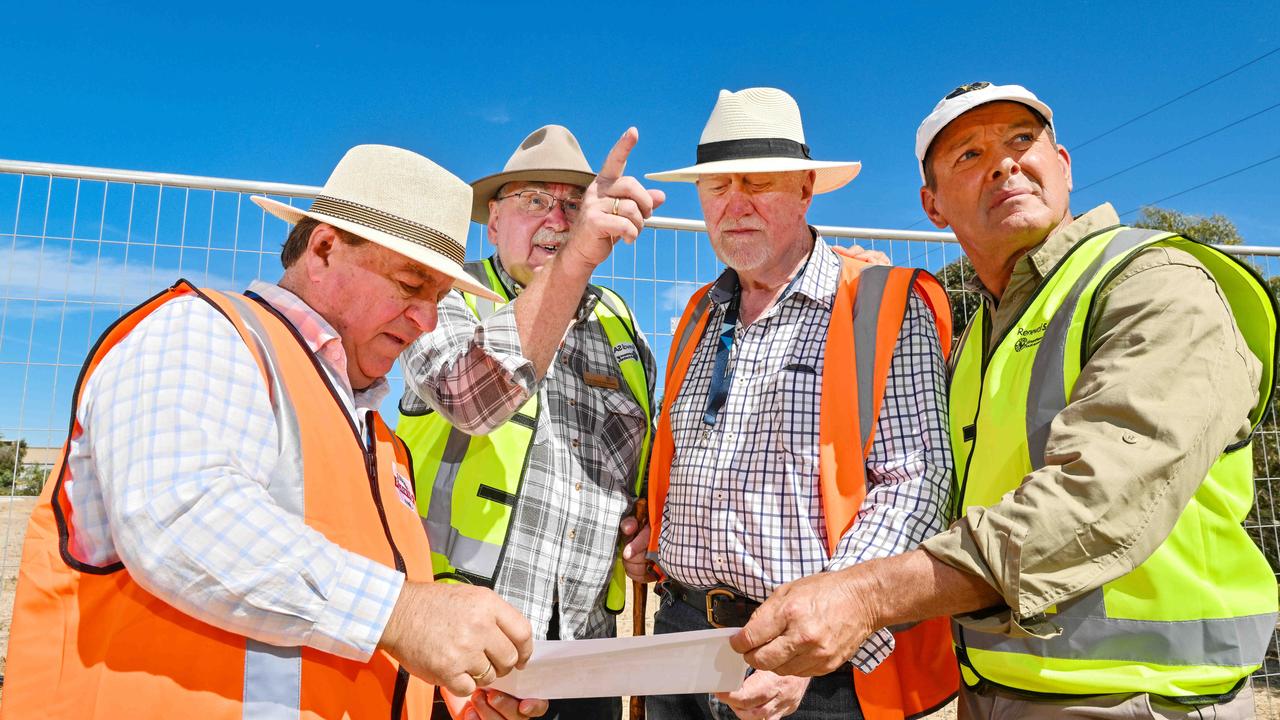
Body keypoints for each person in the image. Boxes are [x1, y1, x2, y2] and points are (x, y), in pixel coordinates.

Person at [732, 82, 1278, 719]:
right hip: (996, 694)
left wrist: (864, 596)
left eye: (1023, 140)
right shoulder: (983, 343)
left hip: (1147, 698)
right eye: (968, 154)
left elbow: (1096, 499)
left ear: (1063, 164)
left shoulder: (1152, 285)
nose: (1004, 162)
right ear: (932, 206)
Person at [3, 144, 550, 720]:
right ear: (323, 250)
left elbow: (353, 637)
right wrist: (404, 613)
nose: (429, 320)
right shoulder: (203, 334)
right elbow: (179, 516)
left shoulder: (379, 442)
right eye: (412, 284)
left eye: (441, 298)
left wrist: (446, 698)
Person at [624, 87, 959, 720]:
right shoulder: (699, 312)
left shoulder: (884, 303)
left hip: (814, 664)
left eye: (759, 184)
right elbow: (688, 455)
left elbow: (917, 482)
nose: (735, 205)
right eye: (717, 187)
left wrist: (825, 630)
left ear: (806, 189)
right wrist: (658, 534)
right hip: (683, 637)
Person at [397, 124, 661, 720]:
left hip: (584, 653)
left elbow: (641, 474)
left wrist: (648, 530)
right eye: (535, 201)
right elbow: (470, 398)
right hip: (459, 647)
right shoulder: (444, 299)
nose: (558, 219)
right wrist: (574, 265)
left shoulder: (622, 326)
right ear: (493, 222)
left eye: (573, 204)